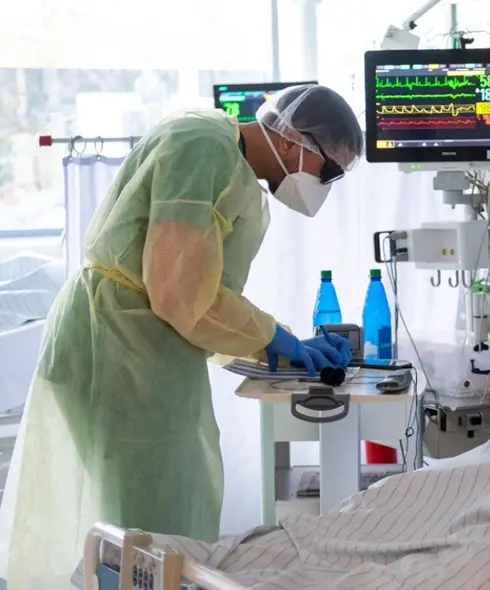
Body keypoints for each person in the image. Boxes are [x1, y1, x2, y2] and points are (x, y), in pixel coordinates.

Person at [0, 84, 363, 588]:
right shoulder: (201, 147)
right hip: (116, 343)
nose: (324, 184)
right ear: (291, 141)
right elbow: (179, 292)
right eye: (330, 170)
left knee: (166, 507)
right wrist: (274, 338)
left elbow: (200, 292)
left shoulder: (233, 172)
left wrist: (276, 341)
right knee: (142, 522)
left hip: (147, 346)